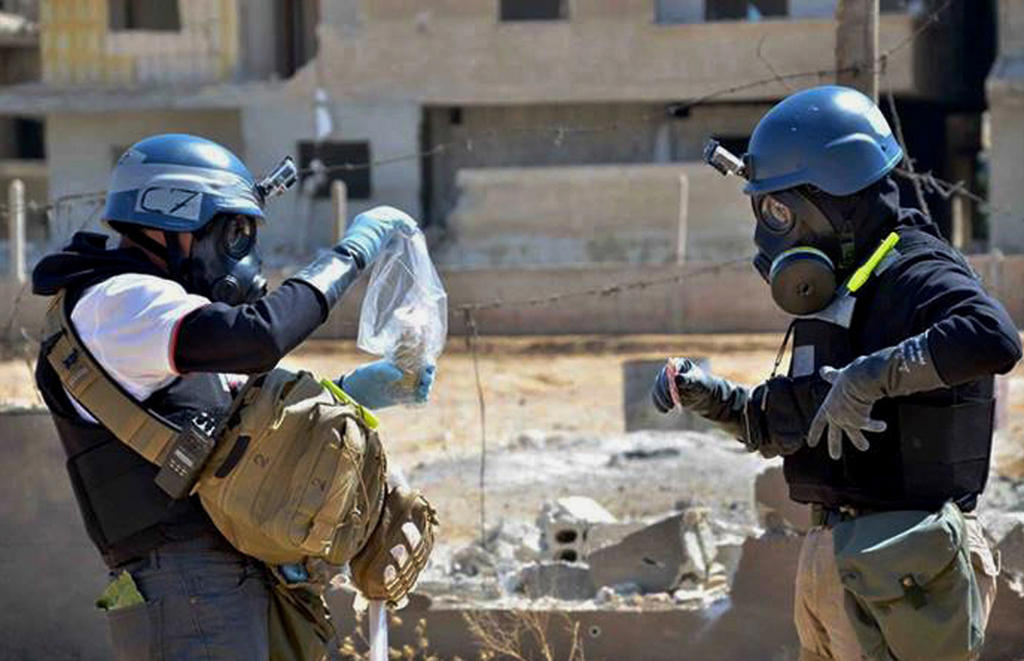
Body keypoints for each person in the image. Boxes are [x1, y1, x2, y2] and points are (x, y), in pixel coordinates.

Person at [32, 134, 435, 659]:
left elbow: (241, 426)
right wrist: (352, 252)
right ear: (174, 217)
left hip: (222, 581)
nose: (241, 255)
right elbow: (257, 337)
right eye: (234, 233)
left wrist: (352, 391)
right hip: (186, 584)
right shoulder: (116, 301)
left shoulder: (161, 315)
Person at [652, 86, 1020, 661]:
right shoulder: (841, 290)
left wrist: (871, 377)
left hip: (906, 569)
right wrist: (719, 401)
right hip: (836, 562)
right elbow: (803, 417)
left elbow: (992, 336)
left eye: (778, 211)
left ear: (834, 197)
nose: (770, 233)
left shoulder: (917, 272)